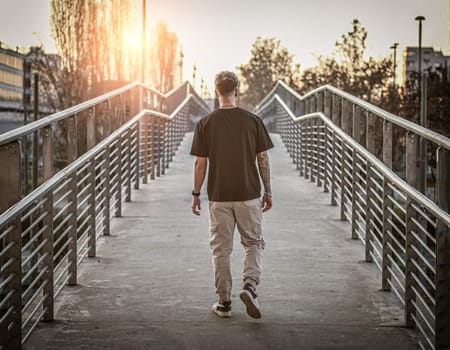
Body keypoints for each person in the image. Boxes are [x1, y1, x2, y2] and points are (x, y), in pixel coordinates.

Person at [190, 71, 274, 319]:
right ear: (237, 90)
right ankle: (249, 286)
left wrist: (196, 194)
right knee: (253, 243)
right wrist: (268, 190)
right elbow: (263, 158)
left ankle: (224, 303)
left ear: (216, 92)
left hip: (219, 196)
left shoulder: (205, 123)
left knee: (221, 250)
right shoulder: (253, 121)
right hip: (248, 194)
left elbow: (200, 164)